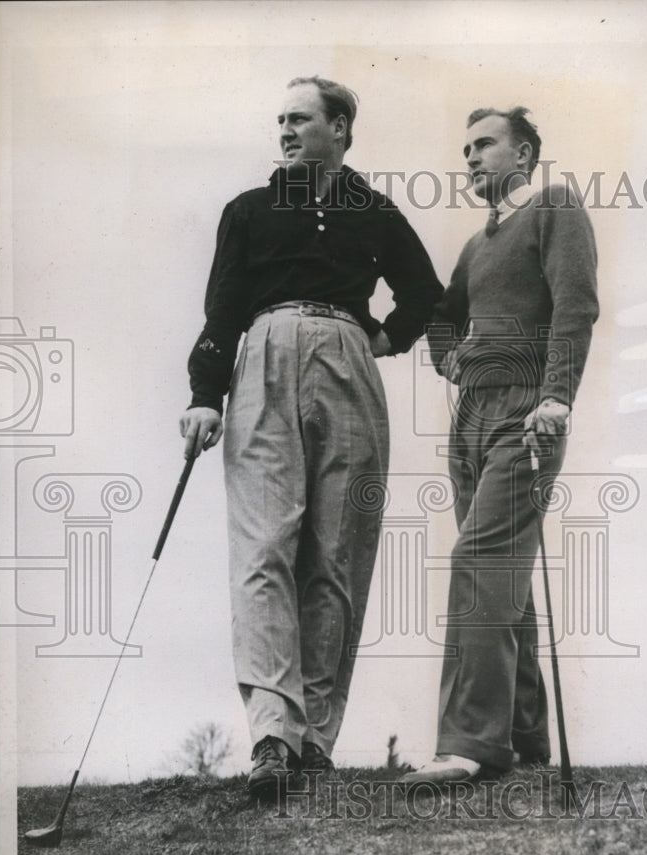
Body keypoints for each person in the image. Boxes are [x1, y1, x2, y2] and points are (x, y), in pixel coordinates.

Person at [179, 76, 443, 797]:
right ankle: (272, 735)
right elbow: (222, 310)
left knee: (336, 553)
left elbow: (426, 293)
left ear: (341, 127)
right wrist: (206, 396)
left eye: (300, 119)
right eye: (280, 120)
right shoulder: (249, 210)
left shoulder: (375, 211)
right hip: (263, 355)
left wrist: (380, 339)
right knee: (264, 548)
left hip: (348, 361)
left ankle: (314, 741)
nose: (286, 130)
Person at [402, 106, 599, 786]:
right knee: (502, 577)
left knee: (480, 559)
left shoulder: (554, 205)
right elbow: (441, 315)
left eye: (486, 144)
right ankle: (522, 738)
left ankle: (468, 745)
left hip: (528, 412)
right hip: (470, 421)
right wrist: (447, 355)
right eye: (466, 147)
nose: (472, 156)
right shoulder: (475, 243)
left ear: (525, 154)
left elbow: (576, 304)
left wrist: (557, 398)